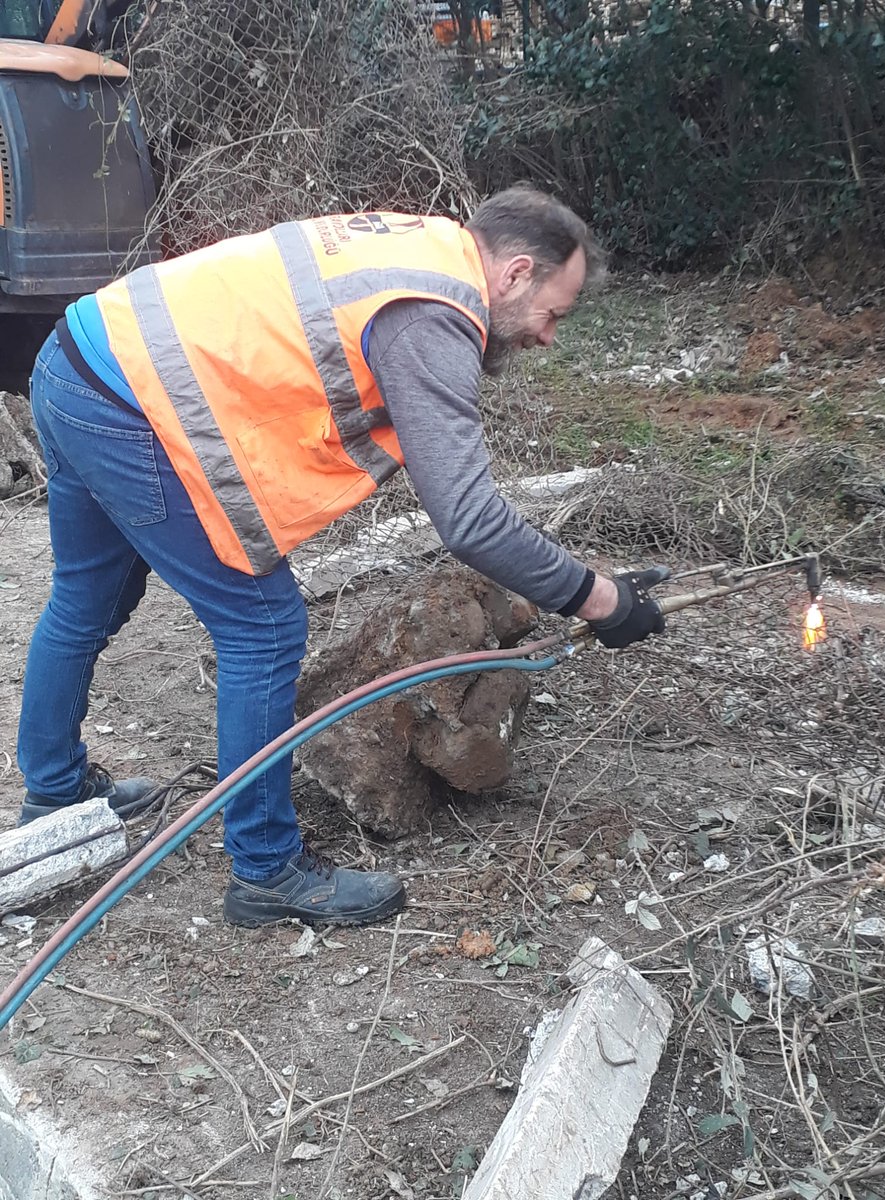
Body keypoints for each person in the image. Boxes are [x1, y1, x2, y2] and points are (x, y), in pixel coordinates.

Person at [15, 184, 669, 928]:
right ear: (516, 272)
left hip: (80, 358)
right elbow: (469, 519)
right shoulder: (433, 315)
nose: (547, 336)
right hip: (129, 403)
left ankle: (56, 790)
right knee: (262, 628)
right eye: (555, 312)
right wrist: (599, 598)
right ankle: (266, 871)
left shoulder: (420, 248)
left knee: (86, 597)